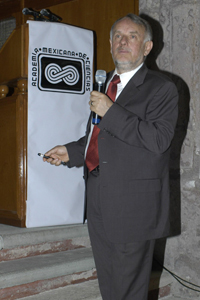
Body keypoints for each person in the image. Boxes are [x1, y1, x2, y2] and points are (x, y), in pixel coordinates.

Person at [43, 13, 178, 300]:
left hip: (134, 203)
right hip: (99, 194)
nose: (123, 42)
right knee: (109, 282)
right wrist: (72, 151)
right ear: (109, 43)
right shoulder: (106, 85)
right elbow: (101, 135)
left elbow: (158, 140)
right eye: (118, 36)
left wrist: (110, 111)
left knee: (129, 288)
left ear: (147, 47)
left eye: (132, 36)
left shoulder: (162, 88)